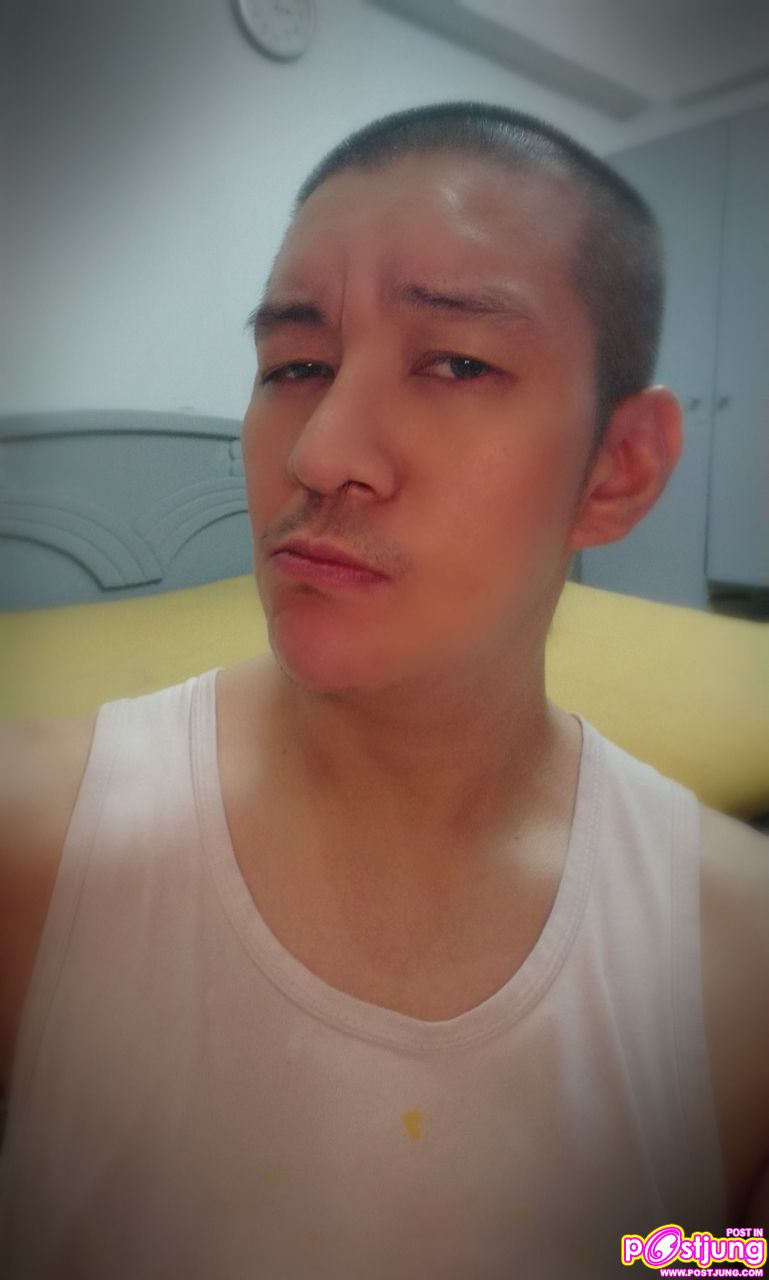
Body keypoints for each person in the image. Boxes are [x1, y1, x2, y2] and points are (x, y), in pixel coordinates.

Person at [0, 102, 767, 1278]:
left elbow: (708, 1259)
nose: (319, 454)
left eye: (456, 362)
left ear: (615, 469)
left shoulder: (738, 955)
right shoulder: (38, 838)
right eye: (294, 366)